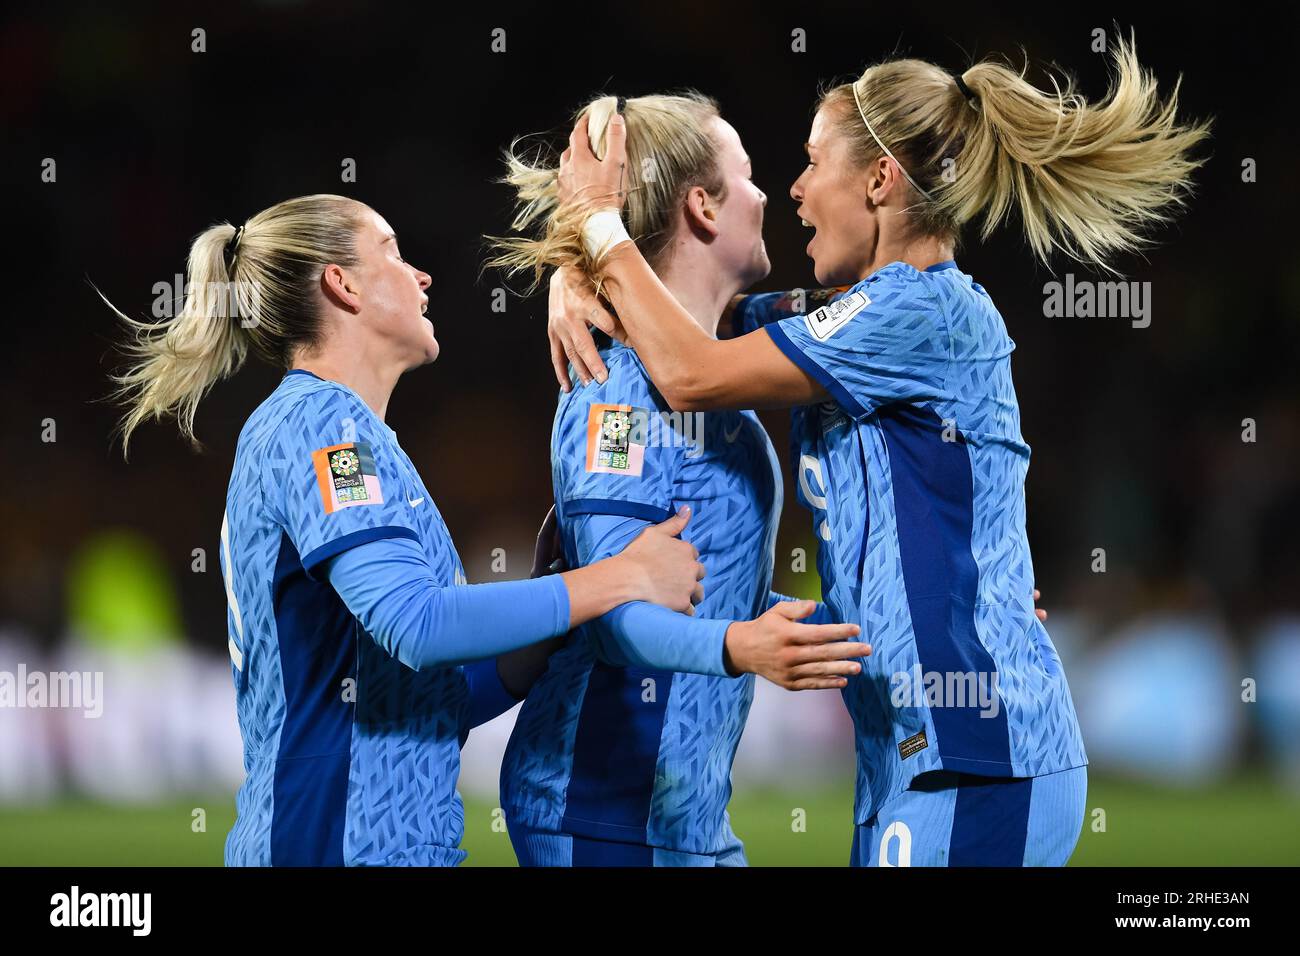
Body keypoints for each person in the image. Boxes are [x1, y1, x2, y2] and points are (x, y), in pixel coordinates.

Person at [545, 35, 1210, 865]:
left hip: (976, 753)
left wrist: (598, 226)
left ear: (880, 179)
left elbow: (692, 370)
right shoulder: (850, 318)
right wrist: (569, 274)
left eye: (812, 160)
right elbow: (687, 309)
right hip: (911, 755)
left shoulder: (922, 312)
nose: (793, 188)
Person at [106, 194, 865, 865]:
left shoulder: (356, 438)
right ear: (343, 286)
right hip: (328, 840)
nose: (422, 276)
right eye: (393, 256)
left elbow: (426, 698)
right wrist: (612, 580)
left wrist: (548, 615)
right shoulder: (321, 429)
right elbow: (417, 623)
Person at [488, 94, 863, 866]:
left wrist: (886, 624)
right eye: (749, 176)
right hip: (597, 816)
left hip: (682, 823)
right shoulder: (612, 394)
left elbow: (714, 591)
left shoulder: (725, 367)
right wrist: (740, 644)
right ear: (701, 205)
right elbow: (612, 613)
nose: (772, 195)